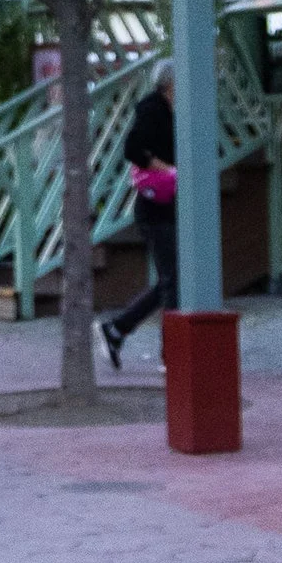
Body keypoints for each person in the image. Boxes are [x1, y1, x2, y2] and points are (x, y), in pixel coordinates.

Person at [100, 66, 178, 371]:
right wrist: (165, 169)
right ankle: (171, 355)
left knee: (172, 280)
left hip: (170, 203)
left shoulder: (174, 109)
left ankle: (117, 329)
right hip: (155, 207)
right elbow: (132, 148)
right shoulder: (152, 109)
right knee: (173, 281)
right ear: (169, 82)